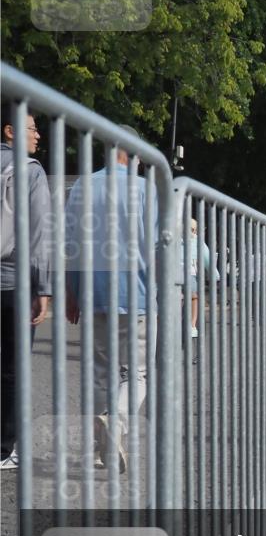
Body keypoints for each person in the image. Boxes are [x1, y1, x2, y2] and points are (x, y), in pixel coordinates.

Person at [65, 126, 155, 473]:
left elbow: (71, 245)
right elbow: (159, 246)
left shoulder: (82, 187)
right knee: (137, 374)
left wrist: (72, 292)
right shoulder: (146, 189)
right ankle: (114, 423)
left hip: (95, 290)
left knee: (103, 373)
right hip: (138, 292)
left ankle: (103, 444)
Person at [1, 109, 52, 471]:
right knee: (13, 369)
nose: (38, 137)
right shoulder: (30, 171)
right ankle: (6, 448)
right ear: (10, 131)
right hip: (13, 282)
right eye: (32, 129)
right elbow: (39, 236)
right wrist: (43, 287)